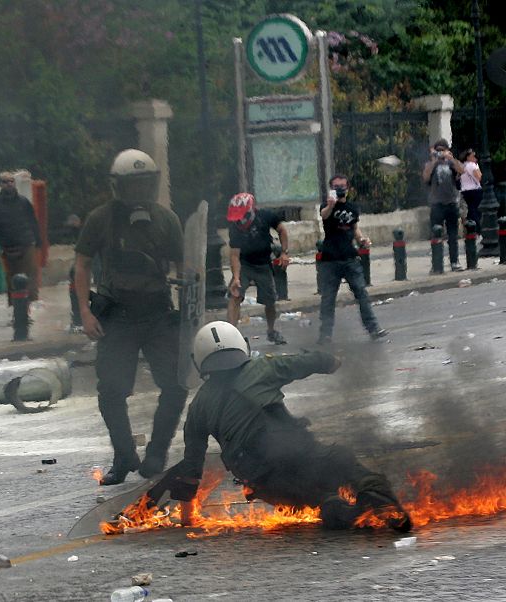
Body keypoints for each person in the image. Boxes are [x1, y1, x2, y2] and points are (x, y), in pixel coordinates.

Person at [163, 320, 412, 532]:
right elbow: (304, 362)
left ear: (200, 361)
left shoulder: (198, 406)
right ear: (241, 346)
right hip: (292, 447)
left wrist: (187, 520)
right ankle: (377, 498)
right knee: (341, 462)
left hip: (257, 474)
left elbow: (191, 471)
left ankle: (332, 507)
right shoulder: (262, 367)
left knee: (309, 495)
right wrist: (332, 361)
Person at [74, 149, 188, 485]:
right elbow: (81, 263)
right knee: (111, 391)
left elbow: (185, 265)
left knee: (176, 384)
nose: (138, 191)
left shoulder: (167, 220)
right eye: (132, 185)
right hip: (117, 316)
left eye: (144, 183)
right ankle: (124, 455)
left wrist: (187, 309)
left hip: (157, 314)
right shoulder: (101, 219)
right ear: (118, 186)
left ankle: (156, 454)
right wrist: (84, 311)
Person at [317, 174, 388, 345]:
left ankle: (373, 328)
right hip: (330, 260)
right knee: (328, 298)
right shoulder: (327, 205)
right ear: (331, 188)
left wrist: (362, 240)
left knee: (362, 294)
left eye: (342, 186)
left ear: (348, 188)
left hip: (350, 258)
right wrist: (331, 204)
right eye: (336, 186)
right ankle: (325, 334)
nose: (339, 189)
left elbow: (354, 229)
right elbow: (324, 216)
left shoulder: (353, 208)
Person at [225, 192, 289, 345]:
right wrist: (236, 277)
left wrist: (284, 253)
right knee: (235, 295)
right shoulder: (234, 227)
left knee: (270, 301)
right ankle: (231, 336)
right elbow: (234, 255)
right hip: (244, 264)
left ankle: (271, 331)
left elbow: (282, 230)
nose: (240, 221)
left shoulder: (265, 216)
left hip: (263, 264)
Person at [0, 171, 42, 306]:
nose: (9, 184)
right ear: (0, 184)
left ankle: (28, 307)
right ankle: (16, 309)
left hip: (27, 245)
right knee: (12, 280)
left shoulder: (23, 202)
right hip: (8, 248)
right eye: (5, 182)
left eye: (11, 181)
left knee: (29, 279)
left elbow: (33, 222)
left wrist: (39, 242)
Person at [422, 138, 464, 271]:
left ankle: (454, 262)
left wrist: (450, 158)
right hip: (437, 204)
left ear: (447, 150)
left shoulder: (451, 163)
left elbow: (462, 170)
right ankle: (436, 264)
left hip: (451, 203)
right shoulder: (430, 164)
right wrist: (434, 160)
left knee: (453, 235)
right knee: (436, 235)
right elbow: (426, 177)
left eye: (442, 150)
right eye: (438, 150)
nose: (440, 153)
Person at [459, 148, 483, 237]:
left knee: (471, 210)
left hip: (465, 191)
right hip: (475, 190)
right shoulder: (472, 165)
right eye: (473, 156)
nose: (475, 158)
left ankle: (471, 229)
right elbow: (479, 177)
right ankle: (477, 229)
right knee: (476, 210)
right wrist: (477, 167)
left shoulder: (462, 165)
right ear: (468, 157)